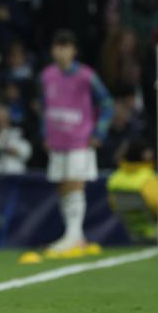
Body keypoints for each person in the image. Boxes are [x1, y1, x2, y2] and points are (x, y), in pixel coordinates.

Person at [40, 29, 114, 258]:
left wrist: (99, 132)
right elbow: (45, 107)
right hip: (57, 141)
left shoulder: (86, 76)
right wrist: (45, 135)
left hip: (79, 139)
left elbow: (107, 103)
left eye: (66, 46)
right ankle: (76, 236)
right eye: (57, 46)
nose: (61, 51)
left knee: (74, 184)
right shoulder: (47, 75)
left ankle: (72, 236)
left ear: (74, 50)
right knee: (63, 187)